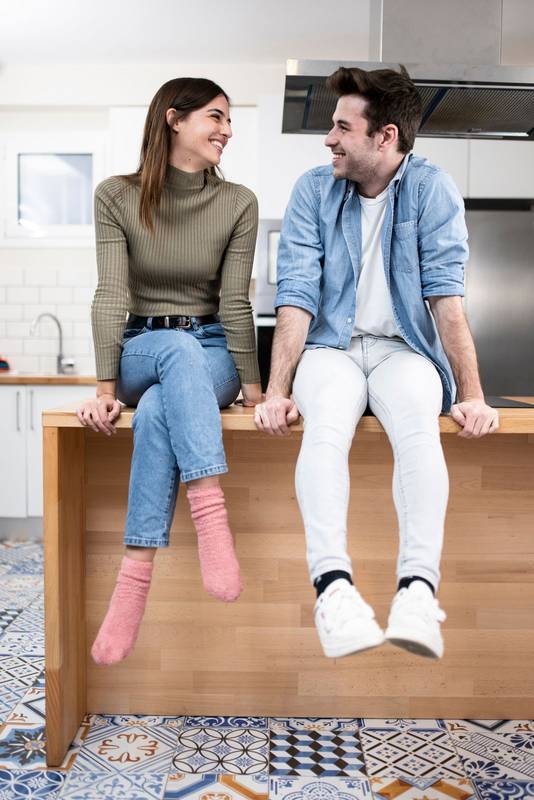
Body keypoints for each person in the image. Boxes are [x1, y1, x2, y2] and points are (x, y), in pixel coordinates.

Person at [254, 65, 499, 660]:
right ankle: (333, 591)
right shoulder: (314, 189)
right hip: (330, 349)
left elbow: (446, 298)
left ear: (384, 137)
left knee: (420, 428)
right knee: (328, 428)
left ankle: (418, 592)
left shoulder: (432, 190)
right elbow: (296, 295)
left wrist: (471, 392)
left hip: (402, 350)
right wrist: (276, 390)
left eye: (342, 126)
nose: (329, 139)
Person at [77, 77, 262, 666]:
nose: (227, 130)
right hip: (141, 347)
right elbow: (111, 293)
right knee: (169, 358)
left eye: (229, 120)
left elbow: (235, 303)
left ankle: (132, 581)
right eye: (216, 116)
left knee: (161, 406)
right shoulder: (116, 195)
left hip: (211, 354)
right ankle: (210, 514)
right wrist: (105, 389)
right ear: (173, 119)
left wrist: (256, 391)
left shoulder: (239, 203)